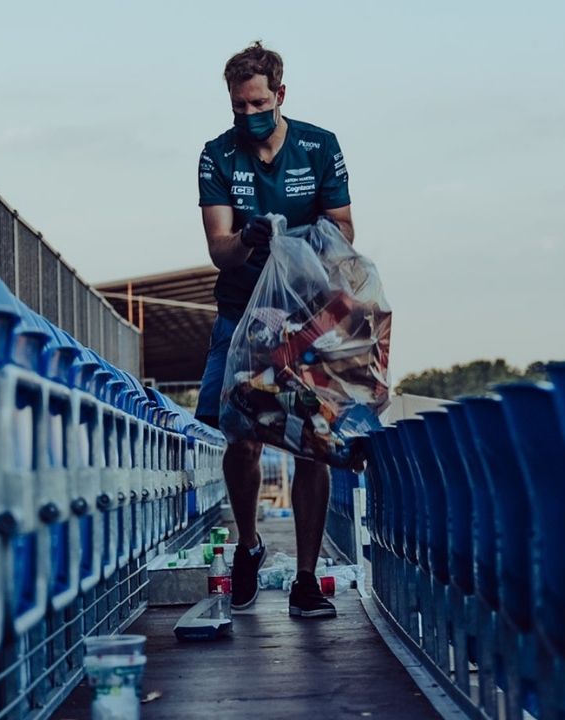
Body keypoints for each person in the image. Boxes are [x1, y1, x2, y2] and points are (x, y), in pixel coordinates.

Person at [195, 41, 354, 619]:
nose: (248, 114)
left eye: (258, 103)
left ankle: (306, 579)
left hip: (309, 313)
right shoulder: (217, 155)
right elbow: (219, 249)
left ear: (280, 94)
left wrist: (302, 243)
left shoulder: (319, 146)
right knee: (241, 436)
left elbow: (345, 229)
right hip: (243, 313)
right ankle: (249, 543)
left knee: (314, 441)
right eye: (238, 106)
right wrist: (249, 238)